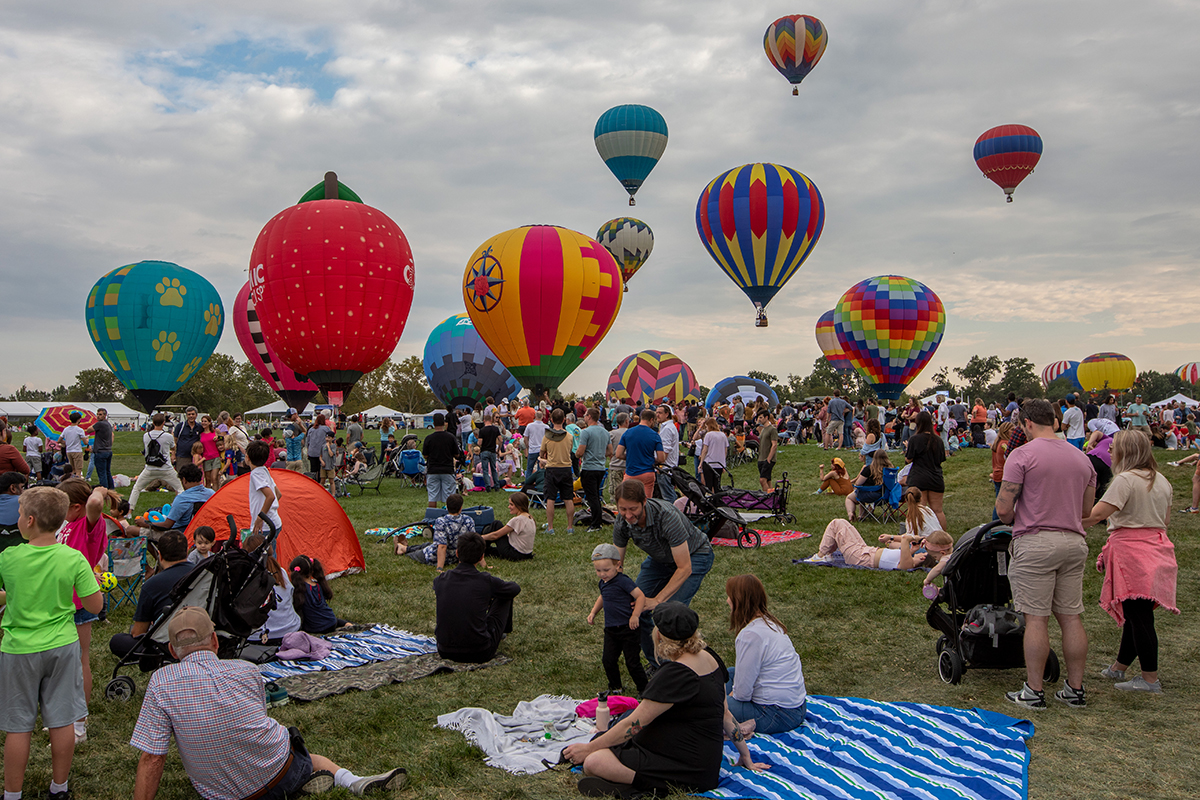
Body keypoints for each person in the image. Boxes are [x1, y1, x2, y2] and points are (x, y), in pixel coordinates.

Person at [131, 606, 404, 798]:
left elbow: (152, 757)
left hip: (221, 794)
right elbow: (254, 723)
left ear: (172, 650)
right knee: (303, 754)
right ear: (215, 640)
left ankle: (304, 785)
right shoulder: (246, 670)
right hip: (280, 773)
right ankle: (352, 782)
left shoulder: (160, 682)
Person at [563, 602, 767, 796]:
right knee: (604, 741)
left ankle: (641, 787)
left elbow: (634, 725)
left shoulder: (675, 674)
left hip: (685, 767)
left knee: (594, 761)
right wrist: (746, 756)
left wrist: (589, 749)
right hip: (704, 765)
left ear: (659, 634)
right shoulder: (710, 657)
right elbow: (726, 715)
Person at [0, 485, 104, 800]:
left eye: (19, 513)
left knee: (18, 726)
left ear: (29, 520)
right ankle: (59, 789)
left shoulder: (9, 557)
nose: (17, 518)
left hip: (19, 648)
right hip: (62, 646)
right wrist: (94, 585)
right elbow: (95, 606)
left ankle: (12, 794)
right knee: (61, 722)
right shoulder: (73, 558)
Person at [996, 398, 1097, 710]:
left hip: (1037, 542)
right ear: (1055, 421)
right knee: (1070, 617)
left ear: (1026, 423)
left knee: (1036, 618)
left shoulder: (1021, 455)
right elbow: (1086, 511)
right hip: (1073, 542)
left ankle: (1034, 690)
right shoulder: (1082, 459)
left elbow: (1003, 510)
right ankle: (1074, 690)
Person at [1081, 431, 1177, 693]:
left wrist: (1064, 519)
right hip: (1156, 550)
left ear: (1125, 452)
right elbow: (1165, 521)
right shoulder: (1162, 481)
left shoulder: (1125, 480)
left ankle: (1149, 679)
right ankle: (1119, 667)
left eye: (1113, 448)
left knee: (1139, 617)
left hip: (1132, 554)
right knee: (1137, 614)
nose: (1109, 452)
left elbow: (1096, 514)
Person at [612, 479, 714, 667]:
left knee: (670, 615)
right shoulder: (622, 521)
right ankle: (658, 665)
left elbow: (684, 567)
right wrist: (615, 590)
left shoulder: (666, 516)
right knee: (637, 607)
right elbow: (617, 563)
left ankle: (682, 666)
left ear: (644, 501)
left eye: (632, 509)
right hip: (660, 560)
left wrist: (657, 600)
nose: (627, 514)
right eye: (622, 509)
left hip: (695, 556)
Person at [724, 574, 806, 734]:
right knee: (729, 673)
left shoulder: (750, 635)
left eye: (730, 596)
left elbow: (742, 694)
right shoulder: (770, 623)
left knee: (710, 707)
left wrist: (731, 698)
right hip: (797, 708)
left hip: (777, 714)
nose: (727, 601)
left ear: (739, 601)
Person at [433, 532, 521, 663]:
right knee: (505, 595)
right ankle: (502, 631)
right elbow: (514, 588)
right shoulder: (485, 581)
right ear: (481, 557)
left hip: (444, 650)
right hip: (480, 652)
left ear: (457, 553)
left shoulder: (440, 580)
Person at [108, 530, 195, 661]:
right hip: (198, 636)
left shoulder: (152, 585)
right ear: (187, 551)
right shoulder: (201, 575)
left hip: (166, 644)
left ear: (159, 555)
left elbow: (138, 633)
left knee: (117, 641)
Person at [587, 543, 648, 694]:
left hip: (629, 629)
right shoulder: (603, 583)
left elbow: (640, 596)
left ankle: (645, 689)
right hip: (611, 629)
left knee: (632, 662)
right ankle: (616, 688)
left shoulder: (623, 581)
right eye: (598, 570)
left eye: (606, 570)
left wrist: (635, 615)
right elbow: (603, 596)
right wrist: (594, 612)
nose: (602, 574)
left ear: (617, 565)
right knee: (608, 660)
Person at [803, 521, 951, 570]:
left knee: (837, 523)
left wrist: (915, 538)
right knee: (845, 526)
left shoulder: (907, 564)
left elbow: (905, 539)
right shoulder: (908, 558)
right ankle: (826, 554)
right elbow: (899, 547)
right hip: (866, 551)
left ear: (923, 557)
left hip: (859, 557)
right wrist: (913, 547)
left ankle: (821, 555)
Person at [125, 464, 213, 539]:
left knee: (130, 530)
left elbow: (166, 525)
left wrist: (146, 523)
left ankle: (159, 558)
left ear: (184, 480)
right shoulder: (211, 494)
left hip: (178, 535)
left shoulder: (182, 499)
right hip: (204, 533)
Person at [396, 492, 476, 569]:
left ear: (447, 507)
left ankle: (403, 549)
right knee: (426, 544)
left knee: (418, 554)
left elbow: (442, 546)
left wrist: (439, 568)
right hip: (458, 557)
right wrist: (484, 564)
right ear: (461, 508)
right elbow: (475, 542)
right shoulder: (468, 520)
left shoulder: (441, 521)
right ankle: (404, 547)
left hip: (437, 556)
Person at [129, 413, 185, 510]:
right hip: (166, 468)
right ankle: (180, 509)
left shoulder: (146, 435)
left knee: (137, 488)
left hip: (150, 468)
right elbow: (173, 446)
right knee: (180, 488)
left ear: (153, 422)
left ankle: (129, 511)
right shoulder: (167, 436)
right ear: (164, 423)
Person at [905, 411, 948, 530]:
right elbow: (941, 459)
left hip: (919, 478)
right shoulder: (938, 440)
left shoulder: (915, 439)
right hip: (935, 477)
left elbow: (908, 459)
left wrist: (907, 447)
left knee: (919, 509)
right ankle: (942, 537)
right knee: (938, 510)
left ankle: (918, 536)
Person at [290, 555, 351, 634]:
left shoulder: (299, 590)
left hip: (315, 628)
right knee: (325, 616)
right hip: (331, 622)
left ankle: (345, 623)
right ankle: (346, 624)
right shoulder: (319, 585)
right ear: (312, 570)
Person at [540, 408, 576, 535]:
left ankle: (550, 528)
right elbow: (570, 450)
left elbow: (542, 452)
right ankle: (570, 526)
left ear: (551, 420)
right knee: (568, 498)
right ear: (564, 420)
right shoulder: (569, 437)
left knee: (550, 499)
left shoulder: (547, 437)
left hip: (551, 469)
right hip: (566, 468)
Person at [615, 408, 665, 500]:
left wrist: (631, 457)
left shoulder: (628, 433)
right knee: (646, 501)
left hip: (631, 473)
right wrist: (651, 459)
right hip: (647, 473)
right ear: (651, 420)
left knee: (628, 500)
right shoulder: (655, 435)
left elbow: (618, 454)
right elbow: (661, 458)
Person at [577, 409, 613, 533]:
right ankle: (597, 520)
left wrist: (576, 454)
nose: (584, 417)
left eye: (585, 415)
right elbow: (610, 452)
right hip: (601, 467)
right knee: (596, 495)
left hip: (589, 467)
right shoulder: (605, 432)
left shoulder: (586, 432)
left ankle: (596, 523)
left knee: (592, 497)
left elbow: (580, 451)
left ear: (590, 417)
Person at [481, 492, 536, 561]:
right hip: (526, 554)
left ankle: (478, 547)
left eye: (511, 504)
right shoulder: (530, 518)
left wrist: (480, 537)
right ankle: (484, 549)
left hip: (515, 554)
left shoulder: (518, 520)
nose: (509, 507)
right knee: (490, 551)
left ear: (519, 506)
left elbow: (496, 535)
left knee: (496, 524)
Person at [422, 413, 461, 509]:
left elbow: (425, 455)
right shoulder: (451, 437)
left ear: (433, 423)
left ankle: (431, 519)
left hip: (433, 470)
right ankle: (450, 517)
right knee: (450, 498)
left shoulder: (429, 438)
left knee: (432, 497)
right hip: (447, 469)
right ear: (444, 423)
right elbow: (457, 454)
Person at [845, 449, 892, 521]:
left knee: (850, 498)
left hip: (869, 496)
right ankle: (862, 515)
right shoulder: (891, 469)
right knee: (862, 490)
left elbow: (858, 483)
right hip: (886, 496)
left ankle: (850, 513)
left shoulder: (869, 469)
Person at [655, 405, 680, 502]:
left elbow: (665, 452)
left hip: (665, 468)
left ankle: (673, 514)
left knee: (668, 498)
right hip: (668, 467)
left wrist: (659, 464)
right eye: (656, 412)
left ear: (667, 414)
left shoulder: (667, 429)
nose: (657, 415)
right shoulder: (668, 427)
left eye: (660, 413)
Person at [698, 417, 727, 492]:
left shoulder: (708, 435)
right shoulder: (723, 435)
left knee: (709, 485)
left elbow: (705, 450)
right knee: (717, 484)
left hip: (709, 463)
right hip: (719, 463)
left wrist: (701, 463)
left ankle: (710, 500)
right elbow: (725, 451)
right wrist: (724, 463)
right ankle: (717, 500)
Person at [89, 408, 114, 490]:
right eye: (97, 414)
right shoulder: (108, 424)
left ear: (105, 415)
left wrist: (91, 424)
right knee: (107, 472)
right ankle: (111, 488)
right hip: (108, 450)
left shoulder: (100, 424)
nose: (98, 416)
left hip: (100, 452)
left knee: (102, 473)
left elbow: (89, 430)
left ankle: (104, 489)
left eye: (100, 414)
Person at [172, 406, 202, 471]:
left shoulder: (199, 427)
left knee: (193, 476)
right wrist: (173, 454)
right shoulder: (180, 426)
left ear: (196, 415)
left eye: (193, 414)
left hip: (195, 457)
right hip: (182, 456)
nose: (191, 416)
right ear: (186, 415)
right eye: (189, 414)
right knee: (182, 475)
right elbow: (175, 441)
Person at [756, 412, 779, 493]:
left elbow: (774, 445)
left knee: (762, 480)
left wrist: (769, 458)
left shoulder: (772, 429)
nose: (759, 419)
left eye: (761, 417)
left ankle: (767, 498)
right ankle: (773, 497)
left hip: (768, 458)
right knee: (767, 480)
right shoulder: (763, 430)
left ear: (766, 417)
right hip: (761, 458)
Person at [477, 414, 501, 491]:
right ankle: (497, 485)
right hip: (493, 451)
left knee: (485, 470)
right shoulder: (495, 429)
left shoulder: (482, 430)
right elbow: (500, 439)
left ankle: (488, 486)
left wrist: (478, 443)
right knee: (494, 468)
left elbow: (480, 443)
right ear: (491, 420)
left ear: (484, 421)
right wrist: (499, 449)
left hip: (484, 451)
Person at [607, 412, 628, 499]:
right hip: (628, 466)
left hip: (615, 465)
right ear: (627, 421)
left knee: (615, 491)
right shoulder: (631, 432)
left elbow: (607, 448)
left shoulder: (612, 434)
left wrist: (610, 455)